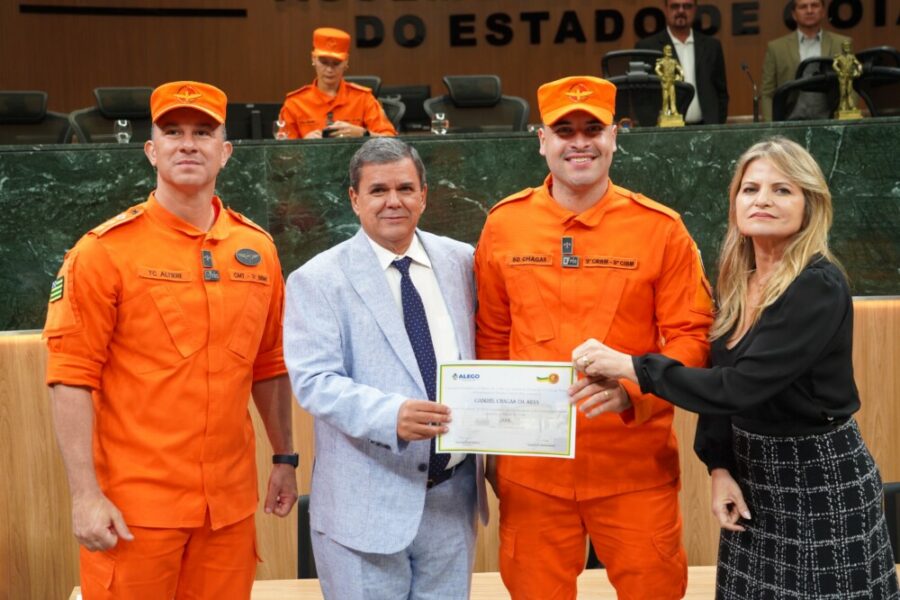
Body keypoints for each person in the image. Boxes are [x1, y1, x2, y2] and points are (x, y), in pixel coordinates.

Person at [571, 137, 900, 599]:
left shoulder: (816, 285)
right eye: (751, 189)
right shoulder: (739, 279)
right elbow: (718, 373)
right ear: (735, 202)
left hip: (818, 478)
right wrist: (720, 465)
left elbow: (736, 387)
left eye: (782, 190)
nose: (763, 199)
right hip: (752, 475)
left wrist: (631, 366)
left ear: (811, 205)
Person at [43, 81, 298, 599]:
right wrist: (84, 496)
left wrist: (285, 458)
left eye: (203, 132)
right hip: (135, 511)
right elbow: (70, 376)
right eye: (173, 132)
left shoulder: (258, 250)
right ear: (150, 150)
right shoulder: (103, 252)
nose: (188, 143)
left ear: (225, 153)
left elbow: (269, 363)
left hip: (226, 512)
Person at [474, 75, 714, 600]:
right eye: (564, 129)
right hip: (532, 473)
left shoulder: (661, 230)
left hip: (632, 467)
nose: (579, 141)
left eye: (593, 128)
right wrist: (492, 452)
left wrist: (633, 387)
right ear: (542, 140)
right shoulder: (503, 226)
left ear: (614, 137)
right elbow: (491, 339)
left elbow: (692, 337)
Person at [283, 137, 488, 600]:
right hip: (364, 506)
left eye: (405, 188)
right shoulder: (317, 279)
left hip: (451, 502)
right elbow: (314, 381)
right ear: (354, 199)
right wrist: (389, 415)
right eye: (377, 190)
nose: (393, 201)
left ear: (424, 195)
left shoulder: (463, 261)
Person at [279, 27, 396, 139]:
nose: (329, 70)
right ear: (313, 59)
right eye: (324, 62)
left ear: (346, 62)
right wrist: (303, 145)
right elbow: (281, 154)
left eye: (336, 63)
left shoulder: (363, 98)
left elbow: (391, 139)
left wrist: (363, 134)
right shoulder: (295, 103)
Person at [636, 0, 729, 124]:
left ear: (695, 9)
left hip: (707, 129)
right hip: (665, 131)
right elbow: (641, 97)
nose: (681, 11)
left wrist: (717, 123)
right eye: (675, 6)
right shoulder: (647, 47)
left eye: (687, 6)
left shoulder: (712, 46)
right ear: (666, 9)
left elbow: (721, 93)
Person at [760, 0, 852, 121]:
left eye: (814, 5)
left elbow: (852, 86)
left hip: (831, 122)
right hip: (789, 124)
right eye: (803, 7)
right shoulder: (776, 48)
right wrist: (771, 126)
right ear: (793, 14)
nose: (809, 11)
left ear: (823, 11)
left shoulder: (842, 43)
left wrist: (846, 120)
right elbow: (767, 92)